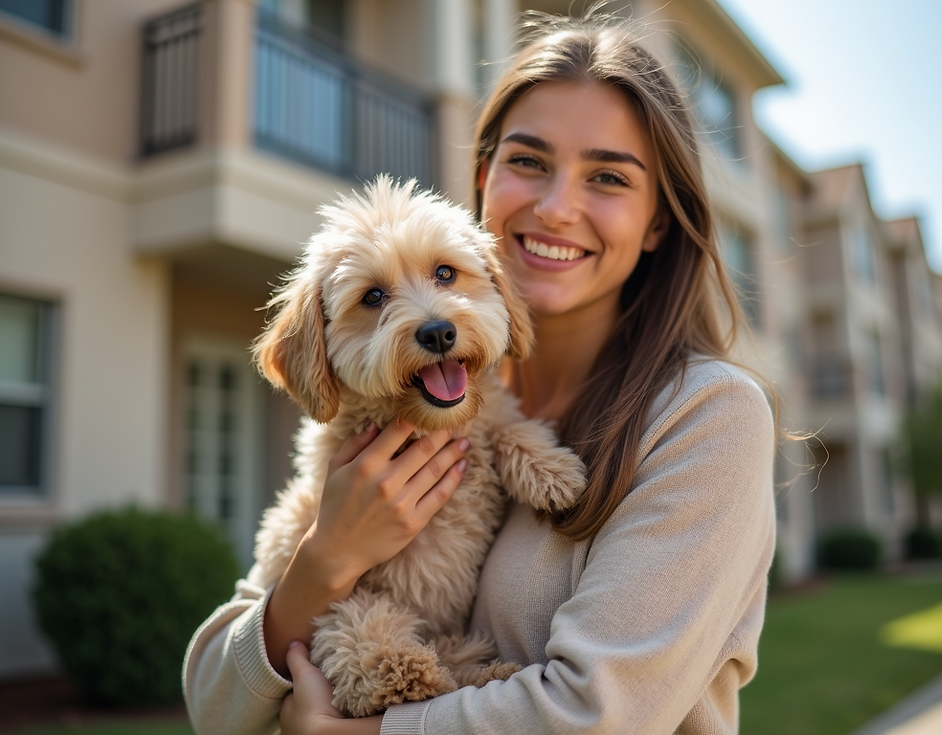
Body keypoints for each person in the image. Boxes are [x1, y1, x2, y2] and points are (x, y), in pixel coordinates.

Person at [183, 9, 777, 735]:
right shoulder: (386, 426)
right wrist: (324, 561)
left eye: (609, 177)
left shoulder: (707, 417)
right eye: (528, 161)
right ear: (482, 181)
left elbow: (596, 712)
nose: (558, 208)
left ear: (657, 220)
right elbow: (213, 703)